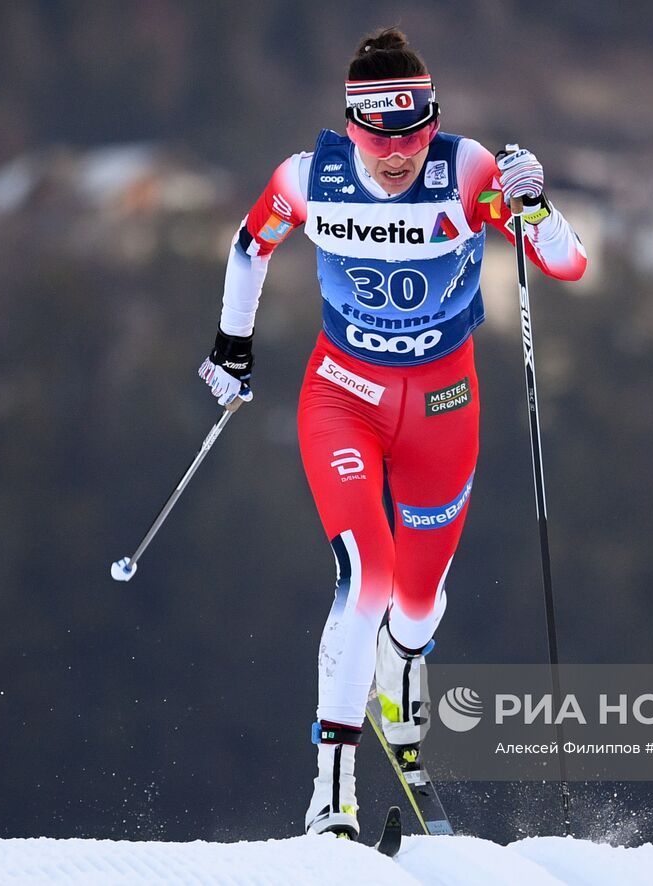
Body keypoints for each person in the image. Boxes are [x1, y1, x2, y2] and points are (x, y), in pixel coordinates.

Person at [197, 26, 587, 839]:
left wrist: (534, 204)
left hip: (444, 404)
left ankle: (400, 669)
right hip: (342, 395)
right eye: (381, 137)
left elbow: (567, 263)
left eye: (413, 134)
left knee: (416, 598)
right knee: (365, 575)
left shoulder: (467, 169)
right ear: (353, 128)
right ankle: (329, 792)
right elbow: (249, 245)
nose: (398, 154)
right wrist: (233, 343)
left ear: (431, 123)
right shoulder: (309, 179)